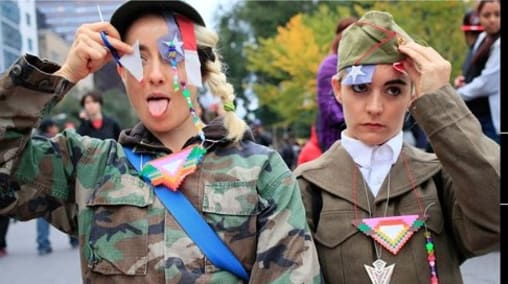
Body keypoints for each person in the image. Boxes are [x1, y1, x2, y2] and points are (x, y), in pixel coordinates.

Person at [0, 1, 320, 283]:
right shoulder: (86, 166)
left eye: (173, 55)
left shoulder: (261, 172)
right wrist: (64, 75)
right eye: (138, 60)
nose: (154, 74)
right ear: (123, 75)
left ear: (200, 70)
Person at [295, 11, 500, 283]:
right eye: (360, 88)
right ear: (337, 89)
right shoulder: (307, 187)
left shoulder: (439, 178)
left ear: (413, 93)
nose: (375, 107)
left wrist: (441, 99)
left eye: (393, 90)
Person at [455, 0, 501, 143]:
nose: (492, 20)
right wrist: (464, 79)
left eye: (497, 14)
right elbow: (474, 69)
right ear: (479, 17)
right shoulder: (483, 38)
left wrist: (456, 95)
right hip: (477, 115)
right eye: (487, 15)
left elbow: (487, 83)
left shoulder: (499, 44)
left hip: (491, 119)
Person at [34, 118, 78, 255]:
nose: (56, 128)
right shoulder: (55, 142)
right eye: (54, 126)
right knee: (67, 212)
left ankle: (42, 244)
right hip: (59, 184)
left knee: (43, 215)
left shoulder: (35, 142)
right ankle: (74, 240)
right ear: (49, 128)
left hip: (40, 186)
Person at [316, 16, 357, 152]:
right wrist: (354, 121)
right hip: (336, 136)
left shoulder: (361, 64)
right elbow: (327, 104)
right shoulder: (331, 64)